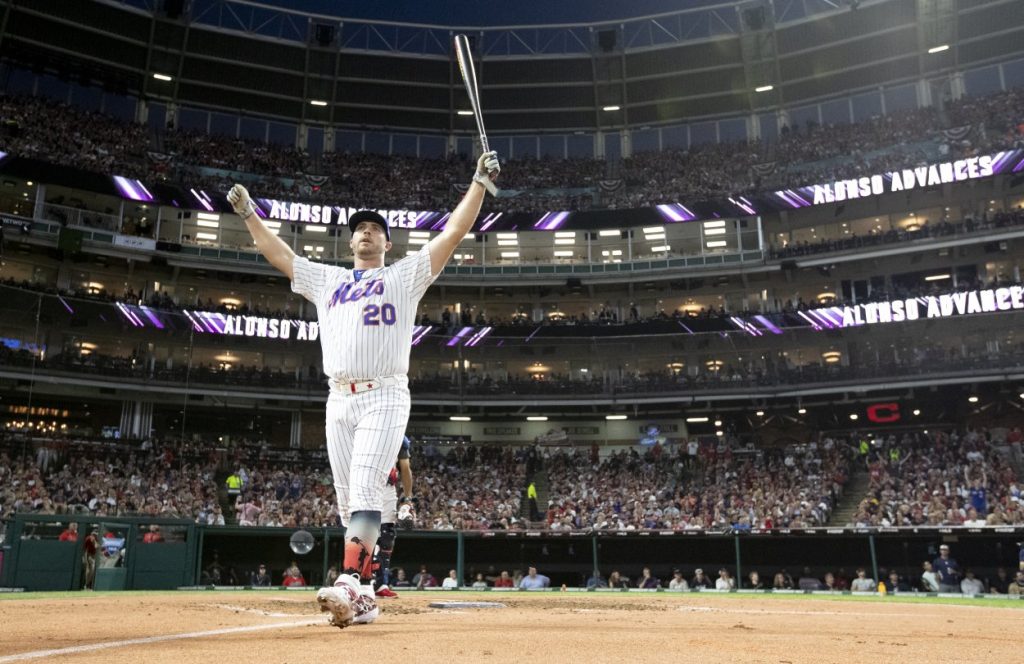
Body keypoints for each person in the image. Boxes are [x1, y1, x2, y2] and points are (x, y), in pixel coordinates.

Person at [229, 150, 500, 630]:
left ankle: (350, 582)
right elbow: (281, 255)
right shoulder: (328, 279)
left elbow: (453, 233)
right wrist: (251, 215)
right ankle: (369, 595)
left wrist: (479, 182)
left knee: (367, 487)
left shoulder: (403, 276)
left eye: (375, 228)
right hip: (338, 398)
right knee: (344, 497)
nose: (367, 231)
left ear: (387, 242)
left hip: (385, 393)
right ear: (350, 239)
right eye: (360, 227)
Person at [373, 436, 414, 599]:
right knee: (364, 533)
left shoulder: (399, 436)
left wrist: (408, 499)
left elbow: (405, 468)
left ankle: (380, 583)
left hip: (388, 487)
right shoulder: (363, 427)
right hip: (365, 484)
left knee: (387, 536)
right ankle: (361, 580)